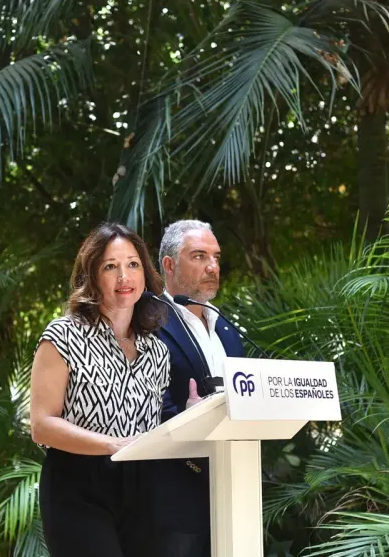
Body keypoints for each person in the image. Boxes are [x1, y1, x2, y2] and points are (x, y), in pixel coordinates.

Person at [30, 223, 170, 557]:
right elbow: (41, 425)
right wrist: (112, 444)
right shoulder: (63, 336)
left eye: (133, 264)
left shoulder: (157, 350)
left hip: (142, 488)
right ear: (92, 276)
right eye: (110, 266)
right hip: (78, 486)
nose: (124, 276)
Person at [152, 220, 245, 557]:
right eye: (199, 256)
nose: (213, 267)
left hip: (237, 488)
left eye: (216, 257)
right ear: (169, 264)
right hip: (177, 500)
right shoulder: (149, 324)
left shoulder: (227, 329)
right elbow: (152, 409)